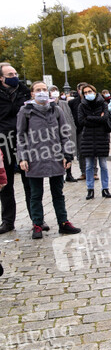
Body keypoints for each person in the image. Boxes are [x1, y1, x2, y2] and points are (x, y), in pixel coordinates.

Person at [16, 81, 81, 239]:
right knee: (35, 194)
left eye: (44, 89)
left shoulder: (56, 109)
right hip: (35, 157)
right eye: (38, 90)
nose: (42, 92)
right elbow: (21, 136)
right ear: (32, 93)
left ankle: (63, 222)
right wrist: (22, 158)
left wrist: (67, 155)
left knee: (58, 193)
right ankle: (37, 224)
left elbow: (64, 134)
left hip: (55, 156)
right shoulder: (25, 111)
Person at [0, 62, 32, 233]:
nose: (15, 77)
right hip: (3, 142)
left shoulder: (24, 92)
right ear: (1, 78)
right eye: (10, 75)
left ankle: (36, 218)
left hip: (24, 141)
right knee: (6, 183)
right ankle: (7, 221)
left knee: (30, 181)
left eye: (15, 74)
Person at [76, 83, 111, 199]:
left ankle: (105, 188)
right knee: (89, 165)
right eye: (85, 92)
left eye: (89, 91)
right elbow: (81, 121)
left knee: (103, 165)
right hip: (88, 137)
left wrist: (89, 118)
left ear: (94, 91)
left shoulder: (103, 104)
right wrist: (98, 118)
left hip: (102, 137)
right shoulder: (82, 106)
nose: (88, 94)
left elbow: (105, 118)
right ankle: (90, 189)